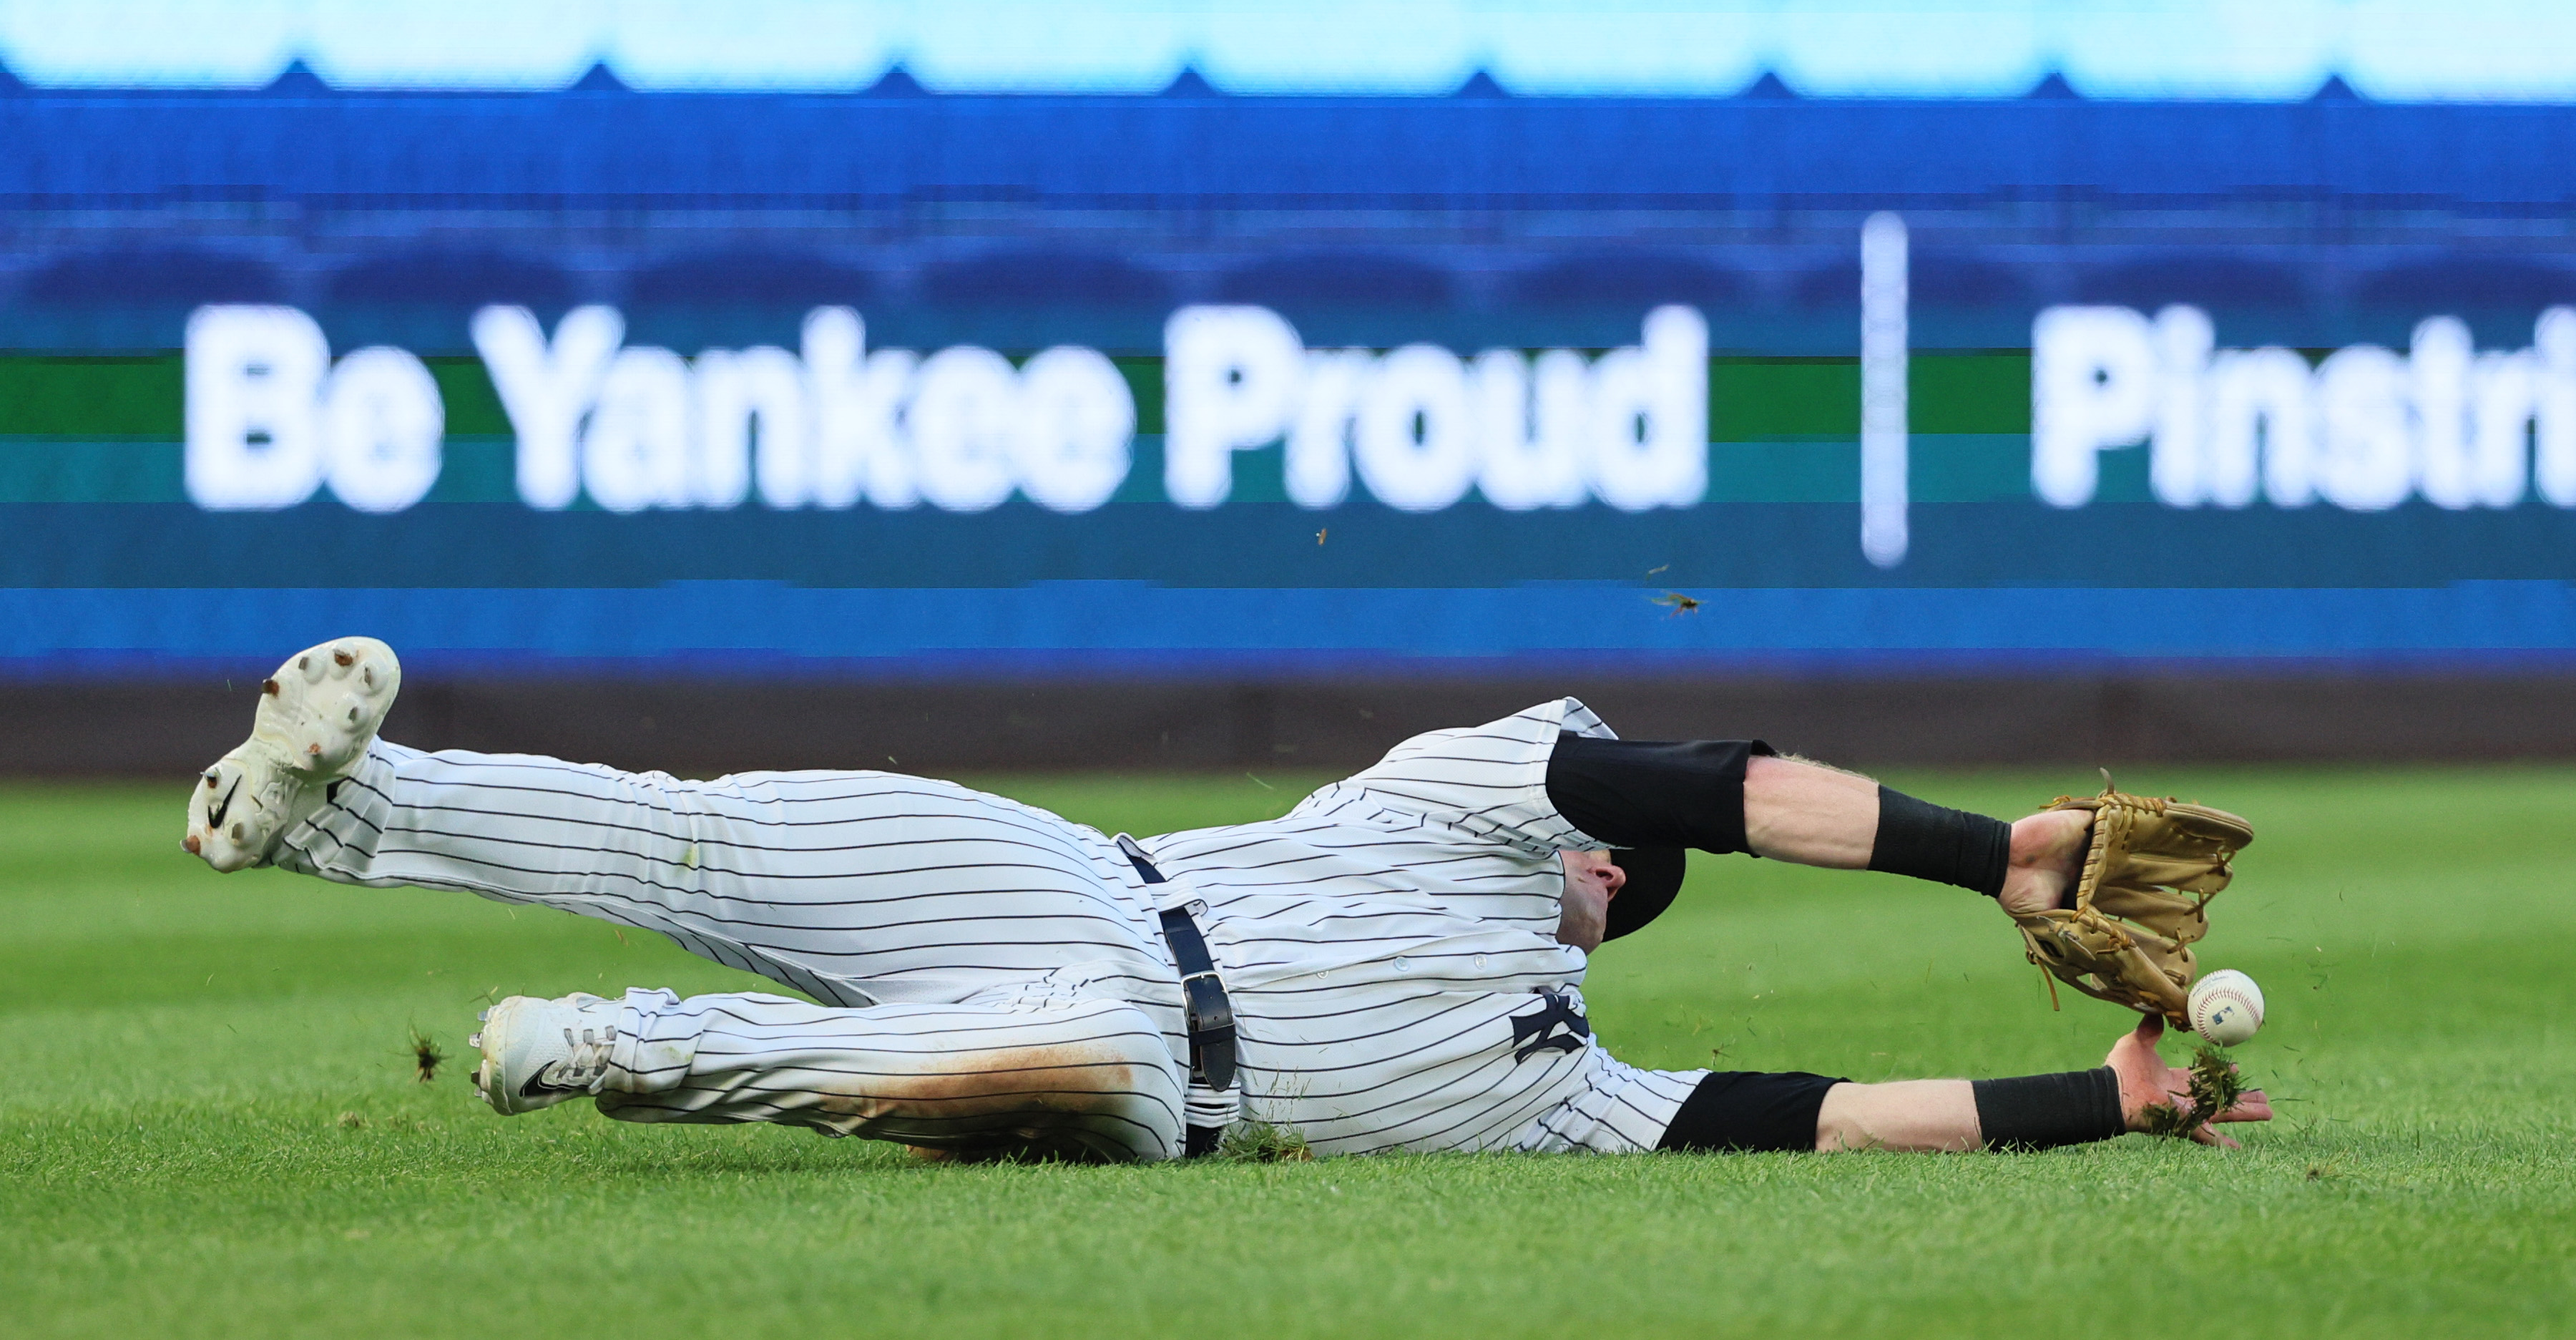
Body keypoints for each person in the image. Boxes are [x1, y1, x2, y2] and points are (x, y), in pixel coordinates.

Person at [182, 640, 2271, 1162]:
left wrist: (2094, 1093)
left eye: (1610, 873)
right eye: (1602, 826)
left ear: (1596, 911)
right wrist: (1975, 846)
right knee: (703, 834)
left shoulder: (1559, 1068)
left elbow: (1802, 1110)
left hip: (1157, 1064)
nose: (1601, 840)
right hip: (1076, 871)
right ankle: (349, 803)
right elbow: (1707, 783)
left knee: (1002, 1057)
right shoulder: (1452, 793)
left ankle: (628, 1044)